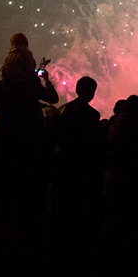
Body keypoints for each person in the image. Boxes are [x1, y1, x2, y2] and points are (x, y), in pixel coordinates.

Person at [0, 40, 58, 224]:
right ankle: (22, 218)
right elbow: (53, 98)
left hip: (3, 136)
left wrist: (5, 113)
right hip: (28, 137)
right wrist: (46, 79)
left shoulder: (3, 86)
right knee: (25, 176)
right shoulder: (31, 87)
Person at [50, 76, 100, 256]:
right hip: (79, 163)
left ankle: (56, 240)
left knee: (58, 200)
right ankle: (72, 245)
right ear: (91, 92)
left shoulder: (62, 110)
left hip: (61, 160)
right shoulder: (93, 115)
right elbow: (90, 143)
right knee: (76, 202)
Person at [102, 94, 138, 277]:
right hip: (133, 180)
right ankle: (132, 271)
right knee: (135, 226)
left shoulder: (110, 125)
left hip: (112, 177)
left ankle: (110, 265)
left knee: (113, 221)